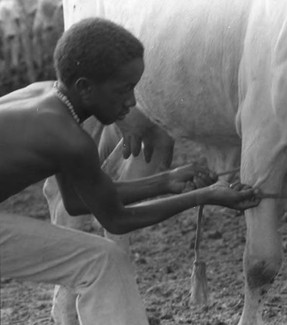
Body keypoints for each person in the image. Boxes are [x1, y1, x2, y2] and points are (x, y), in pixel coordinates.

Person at [0, 17, 261, 325]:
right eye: (123, 90)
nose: (133, 101)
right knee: (102, 261)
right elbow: (117, 219)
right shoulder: (69, 138)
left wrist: (167, 180)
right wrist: (203, 197)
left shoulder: (46, 98)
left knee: (99, 259)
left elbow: (78, 201)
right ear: (85, 88)